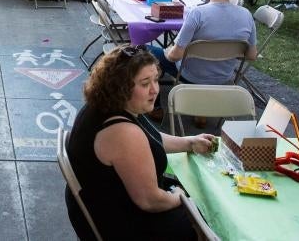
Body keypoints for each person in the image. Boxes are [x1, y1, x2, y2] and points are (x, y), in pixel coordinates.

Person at [64, 45, 215, 241]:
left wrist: (189, 142)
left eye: (155, 80)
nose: (155, 90)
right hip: (119, 224)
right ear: (121, 87)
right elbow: (150, 201)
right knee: (209, 219)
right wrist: (180, 198)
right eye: (144, 84)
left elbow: (150, 137)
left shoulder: (109, 105)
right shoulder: (123, 133)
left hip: (100, 207)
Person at [148, 0, 257, 84]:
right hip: (223, 78)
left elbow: (175, 56)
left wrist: (167, 51)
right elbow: (251, 55)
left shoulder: (198, 13)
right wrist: (223, 52)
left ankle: (152, 88)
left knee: (144, 49)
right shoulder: (246, 15)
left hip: (190, 77)